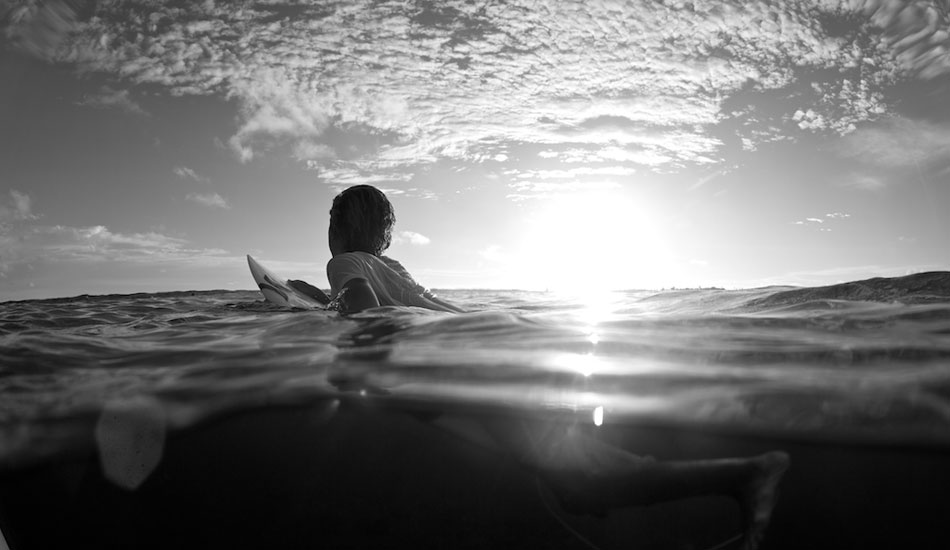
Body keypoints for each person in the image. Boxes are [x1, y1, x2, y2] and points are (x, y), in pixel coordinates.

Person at [301, 184, 789, 549]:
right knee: (577, 473)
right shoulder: (393, 267)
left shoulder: (343, 264)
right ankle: (741, 474)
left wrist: (343, 330)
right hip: (488, 340)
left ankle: (748, 473)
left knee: (580, 479)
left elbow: (366, 311)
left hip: (461, 364)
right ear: (384, 235)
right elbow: (404, 305)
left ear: (338, 229)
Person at [289, 185, 463, 314]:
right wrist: (320, 299)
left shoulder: (343, 262)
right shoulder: (392, 267)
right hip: (456, 318)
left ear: (335, 231)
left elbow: (364, 307)